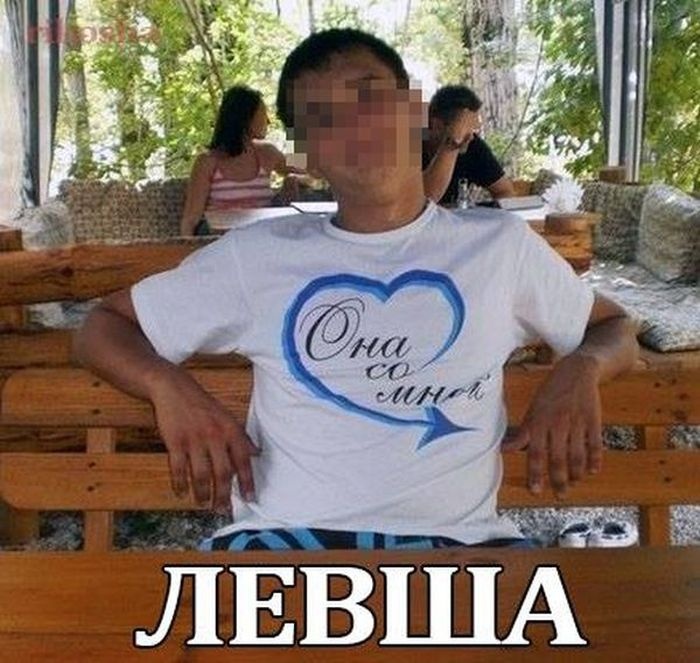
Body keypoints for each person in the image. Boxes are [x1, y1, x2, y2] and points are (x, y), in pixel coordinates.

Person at [74, 29, 638, 552]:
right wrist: (166, 384)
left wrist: (582, 366)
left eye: (369, 96)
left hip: (459, 545)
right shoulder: (257, 257)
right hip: (283, 542)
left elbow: (614, 327)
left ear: (415, 111)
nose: (355, 126)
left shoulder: (499, 247)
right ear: (310, 156)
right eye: (323, 118)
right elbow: (103, 327)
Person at [180, 85, 302, 236]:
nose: (269, 121)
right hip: (221, 242)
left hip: (263, 239)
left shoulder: (267, 153)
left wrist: (293, 124)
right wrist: (187, 248)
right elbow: (191, 220)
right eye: (263, 114)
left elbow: (306, 169)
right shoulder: (207, 162)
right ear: (246, 118)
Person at [423, 84, 516, 205]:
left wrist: (480, 213)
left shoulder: (472, 144)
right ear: (436, 125)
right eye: (463, 129)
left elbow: (505, 192)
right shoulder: (407, 143)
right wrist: (452, 144)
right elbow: (424, 200)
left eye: (473, 129)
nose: (471, 136)